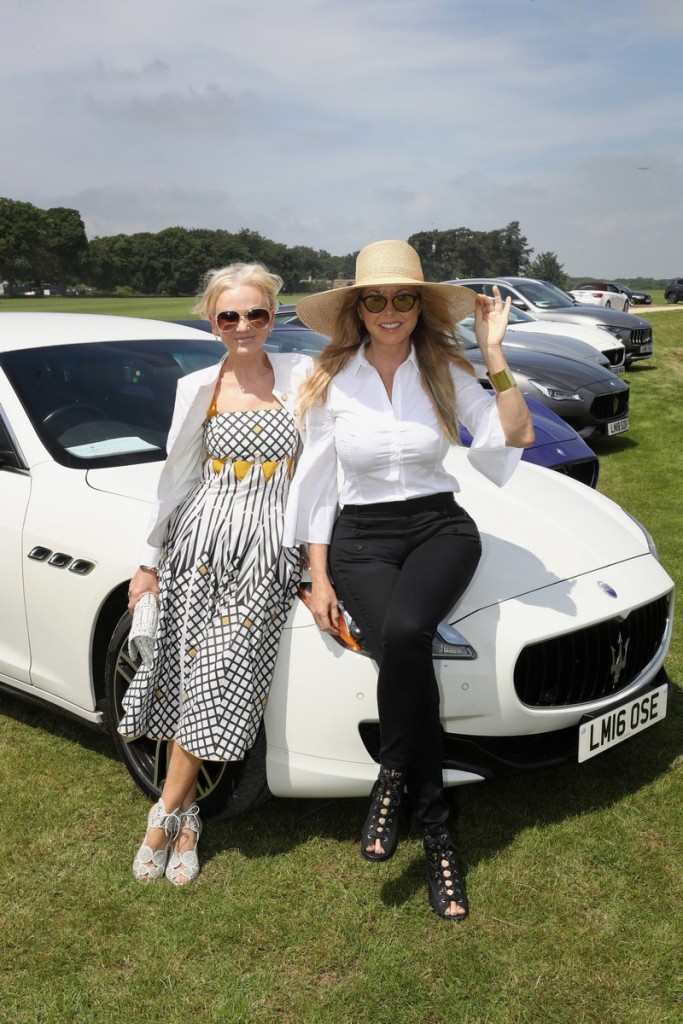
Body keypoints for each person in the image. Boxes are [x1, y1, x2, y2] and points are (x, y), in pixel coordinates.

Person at [284, 240, 534, 920]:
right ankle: (438, 837)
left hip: (438, 529)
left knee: (405, 631)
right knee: (403, 649)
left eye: (402, 299)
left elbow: (513, 439)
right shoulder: (328, 376)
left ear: (417, 307)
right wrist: (318, 575)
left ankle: (390, 774)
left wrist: (493, 356)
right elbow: (314, 488)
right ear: (357, 309)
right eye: (375, 300)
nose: (389, 311)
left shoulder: (443, 369)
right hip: (360, 538)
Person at [119, 263, 312, 885]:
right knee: (184, 674)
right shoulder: (198, 385)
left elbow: (327, 472)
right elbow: (174, 477)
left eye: (256, 313)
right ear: (213, 321)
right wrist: (149, 561)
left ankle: (165, 814)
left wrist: (317, 559)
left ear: (274, 316)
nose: (243, 325)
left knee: (221, 676)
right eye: (229, 316)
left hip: (266, 550)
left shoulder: (306, 379)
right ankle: (185, 813)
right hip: (199, 543)